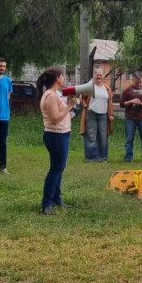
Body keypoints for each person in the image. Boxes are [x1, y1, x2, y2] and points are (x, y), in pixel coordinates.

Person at [37, 68, 93, 215]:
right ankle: (46, 204)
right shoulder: (50, 96)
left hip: (61, 135)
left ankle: (56, 199)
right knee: (56, 169)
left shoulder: (55, 95)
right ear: (57, 78)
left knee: (58, 169)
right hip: (55, 136)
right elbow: (55, 118)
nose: (63, 78)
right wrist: (70, 105)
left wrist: (74, 107)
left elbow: (64, 116)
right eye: (62, 76)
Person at [120, 71, 142, 164]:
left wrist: (140, 103)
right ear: (132, 80)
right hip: (130, 118)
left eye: (140, 82)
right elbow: (122, 104)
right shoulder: (127, 90)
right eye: (136, 82)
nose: (138, 84)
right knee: (129, 139)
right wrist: (132, 101)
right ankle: (128, 157)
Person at [79, 68, 114, 162]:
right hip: (91, 114)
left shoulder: (106, 88)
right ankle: (91, 158)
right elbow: (81, 96)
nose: (99, 76)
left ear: (103, 76)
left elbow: (110, 101)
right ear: (94, 76)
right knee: (91, 136)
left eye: (100, 75)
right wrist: (85, 105)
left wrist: (111, 114)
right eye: (97, 74)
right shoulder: (90, 87)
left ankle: (103, 157)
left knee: (103, 136)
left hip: (103, 115)